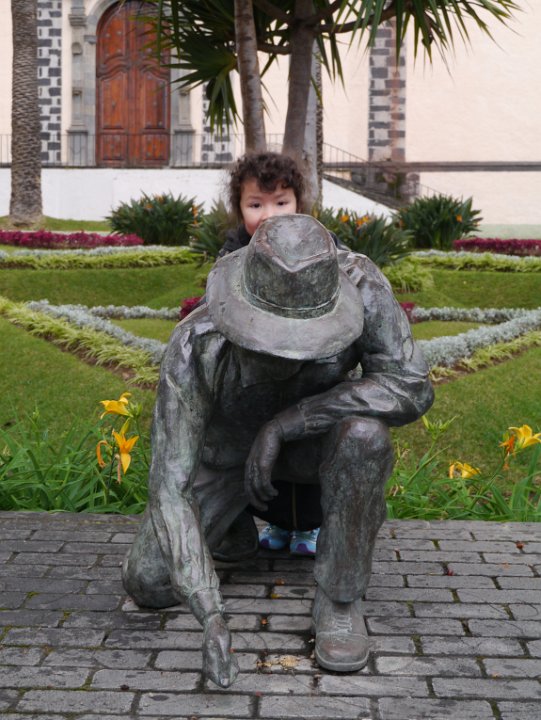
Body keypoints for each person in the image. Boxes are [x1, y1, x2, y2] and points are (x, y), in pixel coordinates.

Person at [122, 214, 434, 688]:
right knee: (149, 582)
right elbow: (170, 485)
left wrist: (291, 422)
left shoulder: (361, 285)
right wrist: (210, 613)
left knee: (365, 437)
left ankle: (340, 599)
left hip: (314, 444)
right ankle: (231, 533)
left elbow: (411, 385)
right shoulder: (195, 343)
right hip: (228, 456)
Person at [219, 151, 327, 557]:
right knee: (264, 463)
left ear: (299, 204)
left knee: (307, 458)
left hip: (310, 381)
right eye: (255, 205)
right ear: (239, 209)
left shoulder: (322, 249)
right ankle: (278, 524)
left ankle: (310, 527)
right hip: (258, 381)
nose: (269, 215)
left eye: (281, 202)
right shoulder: (233, 255)